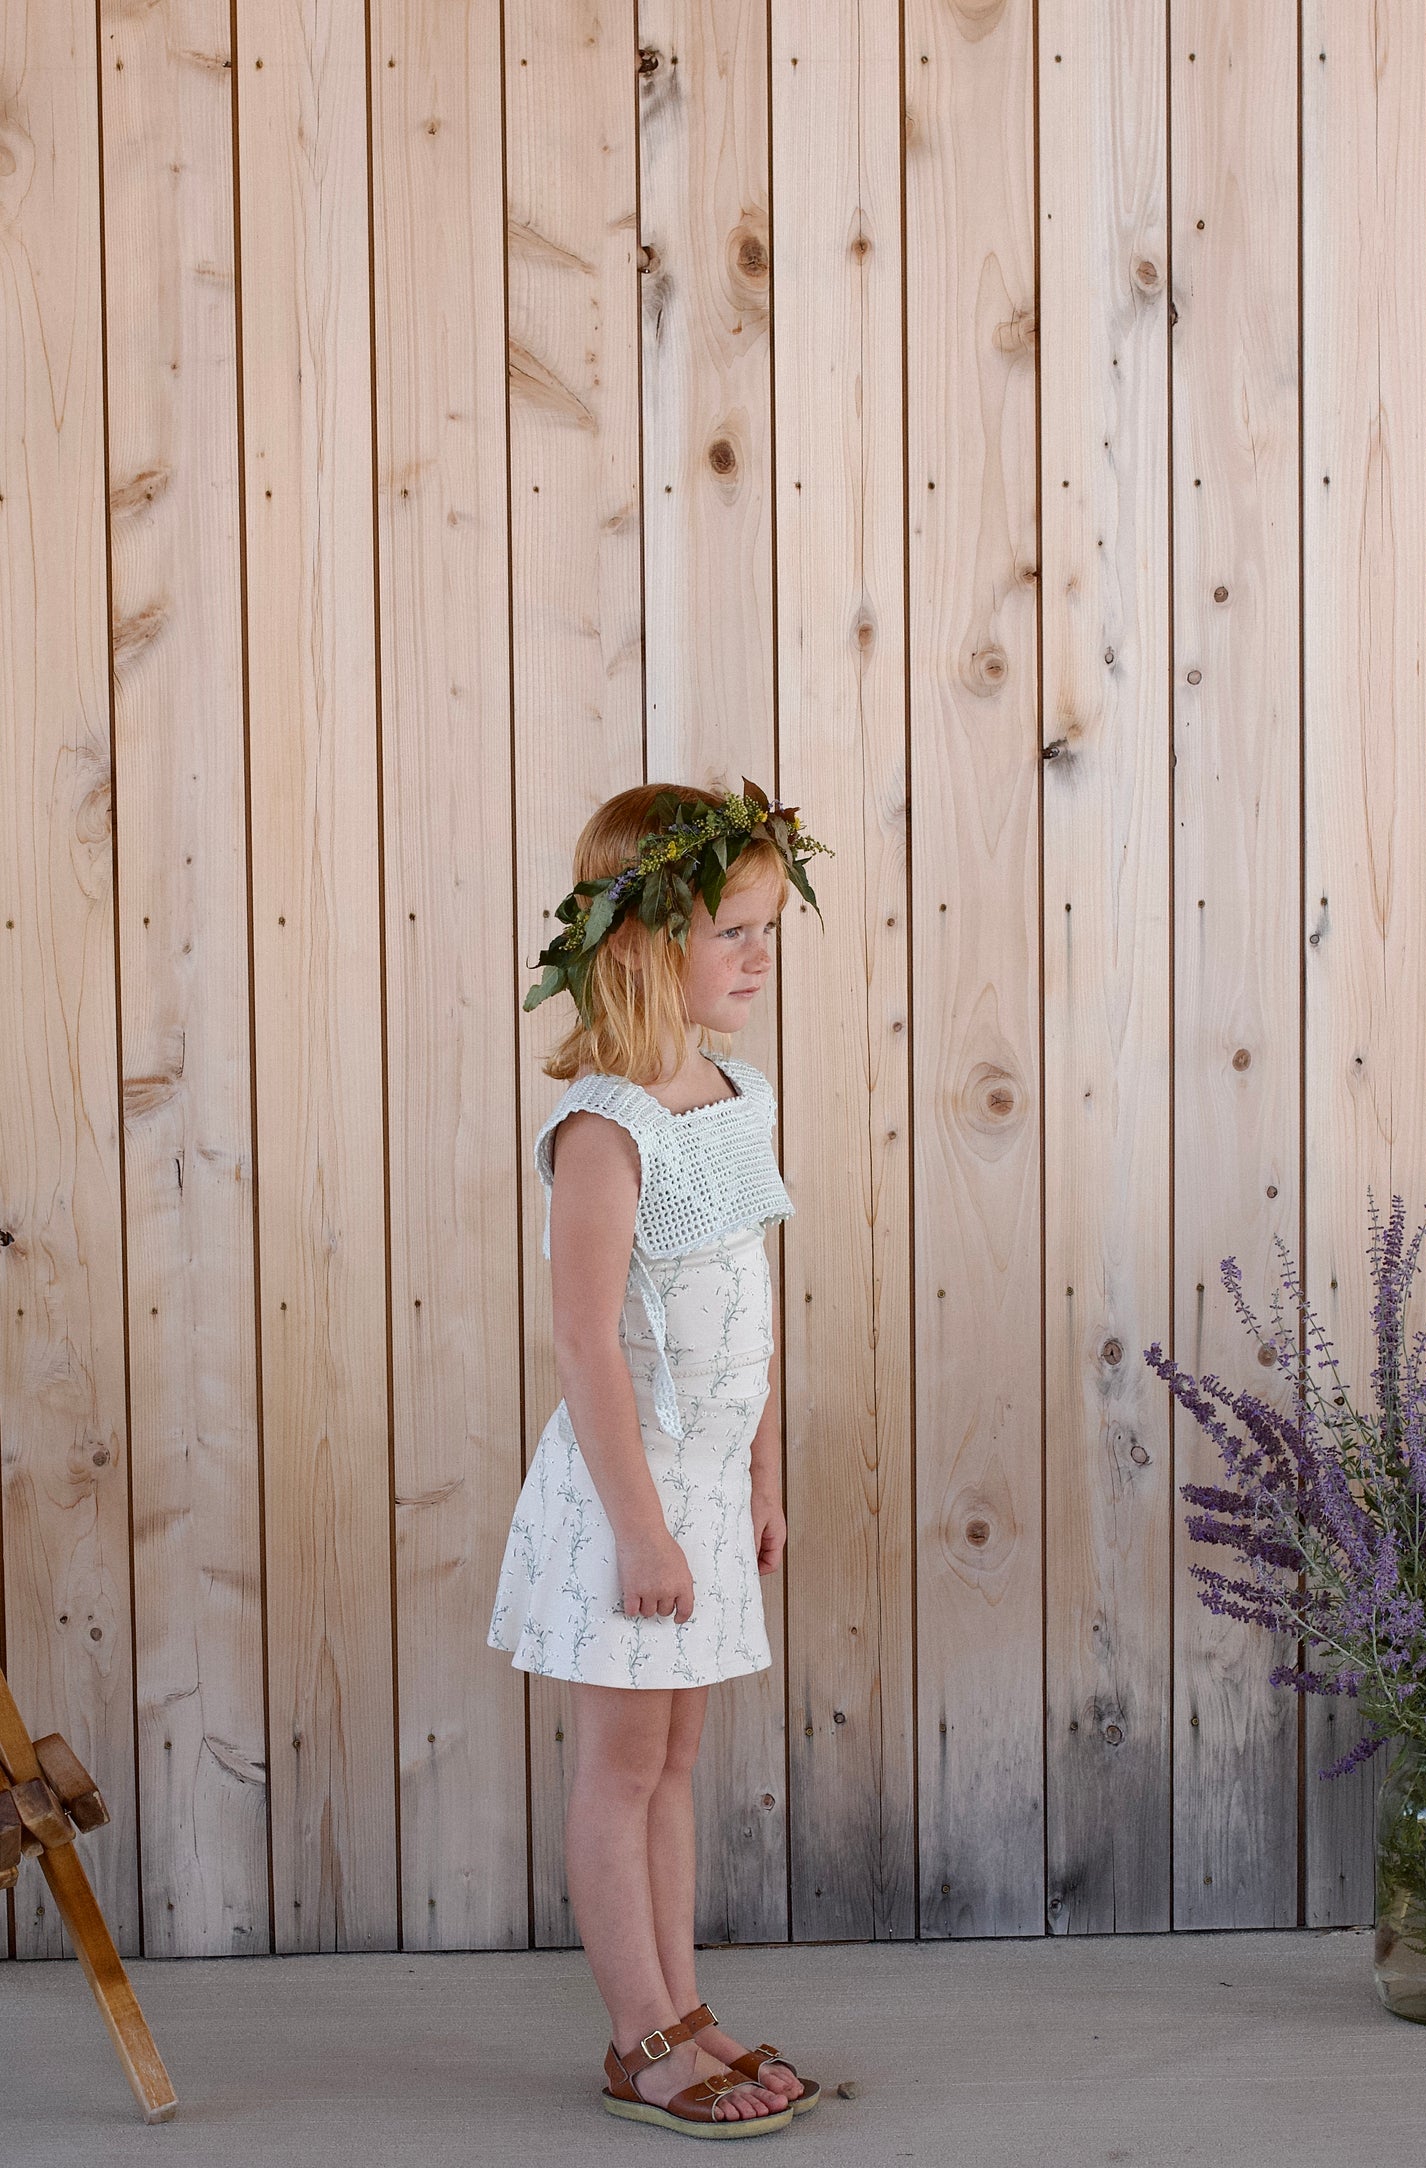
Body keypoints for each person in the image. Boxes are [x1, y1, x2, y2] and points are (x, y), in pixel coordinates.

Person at [489, 780, 833, 2138]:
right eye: (731, 932)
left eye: (767, 930)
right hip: (624, 1499)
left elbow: (745, 1306)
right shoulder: (604, 1125)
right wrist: (639, 1528)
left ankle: (683, 2010)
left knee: (679, 1762)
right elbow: (584, 1348)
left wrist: (757, 1473)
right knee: (623, 1768)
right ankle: (638, 2036)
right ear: (639, 938)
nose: (757, 957)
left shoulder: (734, 1094)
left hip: (702, 1484)